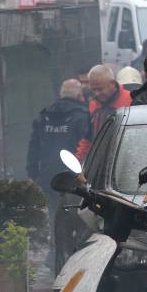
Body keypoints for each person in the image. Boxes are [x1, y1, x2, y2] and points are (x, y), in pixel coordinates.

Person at [27, 79, 90, 270]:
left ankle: (57, 256)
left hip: (49, 178)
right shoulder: (83, 115)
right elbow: (87, 145)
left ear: (60, 95)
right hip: (74, 178)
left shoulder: (44, 116)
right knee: (78, 216)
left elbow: (34, 147)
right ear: (79, 95)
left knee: (55, 216)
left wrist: (32, 172)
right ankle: (77, 257)